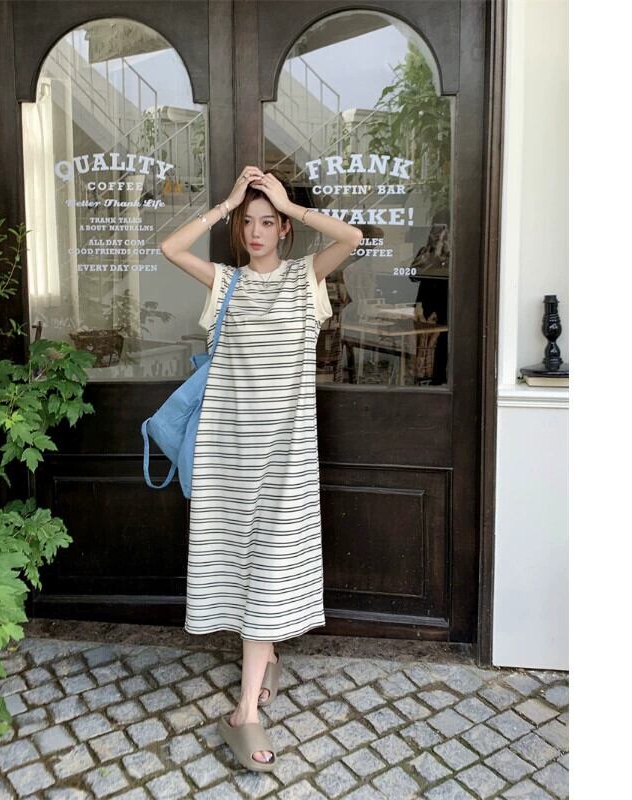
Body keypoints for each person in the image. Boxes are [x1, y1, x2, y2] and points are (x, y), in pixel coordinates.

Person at [159, 167, 362, 770]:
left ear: (282, 229)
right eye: (248, 222)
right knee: (239, 564)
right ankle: (263, 663)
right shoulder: (225, 282)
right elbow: (170, 248)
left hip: (286, 456)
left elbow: (351, 238)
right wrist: (226, 202)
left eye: (267, 222)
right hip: (229, 453)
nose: (255, 231)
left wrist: (290, 204)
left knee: (269, 565)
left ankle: (244, 712)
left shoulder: (305, 279)